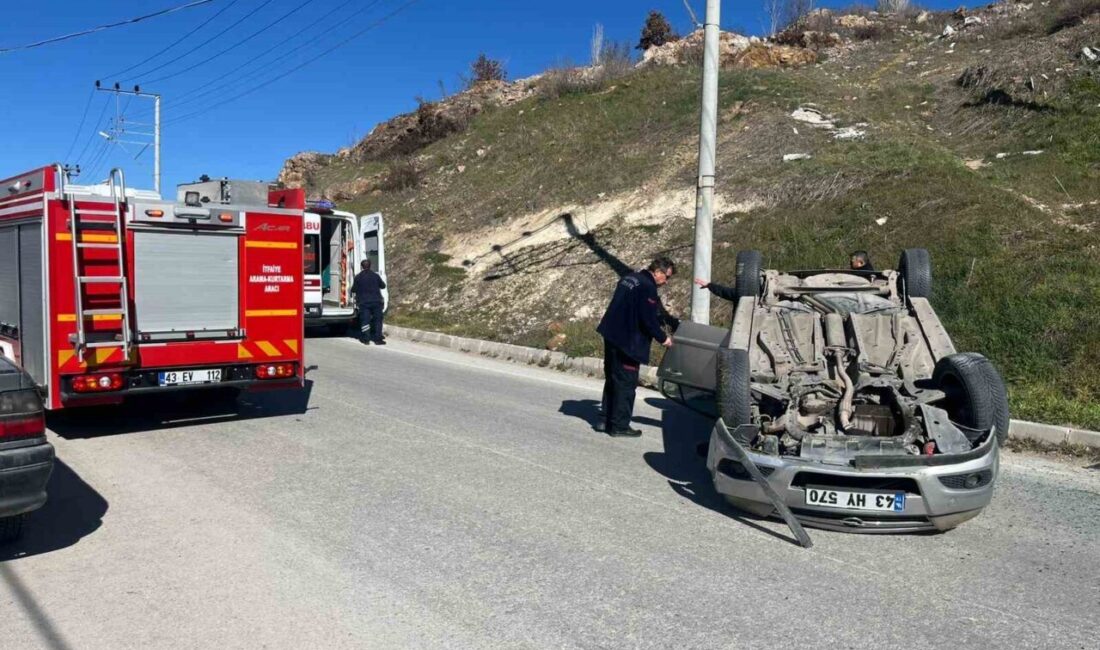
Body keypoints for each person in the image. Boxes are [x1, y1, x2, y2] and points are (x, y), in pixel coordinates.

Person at [595, 257, 679, 437]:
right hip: (629, 341)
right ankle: (619, 426)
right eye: (667, 277)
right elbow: (648, 319)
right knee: (626, 383)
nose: (666, 281)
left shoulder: (629, 278)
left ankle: (604, 420)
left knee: (612, 378)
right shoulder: (648, 287)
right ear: (658, 272)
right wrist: (664, 339)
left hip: (611, 335)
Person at [351, 260, 387, 345]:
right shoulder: (375, 276)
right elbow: (383, 286)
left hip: (364, 302)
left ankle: (366, 339)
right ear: (370, 266)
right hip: (376, 301)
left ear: (361, 267)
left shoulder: (358, 277)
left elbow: (353, 289)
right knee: (378, 320)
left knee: (365, 320)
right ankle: (378, 339)